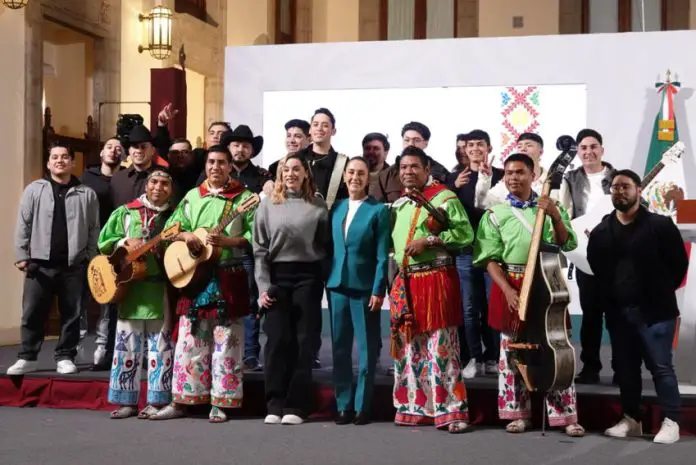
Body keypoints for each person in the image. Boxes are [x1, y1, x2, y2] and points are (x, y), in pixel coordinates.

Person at [473, 153, 585, 437]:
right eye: (508, 173)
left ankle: (564, 416)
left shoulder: (550, 206)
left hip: (547, 284)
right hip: (511, 284)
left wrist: (556, 216)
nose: (513, 178)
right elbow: (488, 258)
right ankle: (518, 413)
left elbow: (567, 242)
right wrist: (509, 290)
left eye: (520, 172)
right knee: (512, 351)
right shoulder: (494, 214)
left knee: (555, 347)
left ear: (533, 174)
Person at [150, 146, 256, 423]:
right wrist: (186, 237)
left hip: (227, 275)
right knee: (189, 341)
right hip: (195, 277)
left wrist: (230, 242)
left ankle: (221, 402)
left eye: (222, 162)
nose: (216, 167)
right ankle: (182, 400)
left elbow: (256, 235)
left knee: (226, 342)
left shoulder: (244, 198)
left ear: (230, 166)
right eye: (211, 162)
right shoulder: (192, 196)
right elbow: (170, 229)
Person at [588, 169, 688, 444]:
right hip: (620, 313)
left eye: (626, 187)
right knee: (626, 369)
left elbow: (678, 265)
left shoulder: (660, 225)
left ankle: (671, 420)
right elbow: (597, 267)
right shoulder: (601, 231)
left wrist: (658, 291)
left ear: (638, 190)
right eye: (616, 187)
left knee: (661, 367)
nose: (620, 192)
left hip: (656, 312)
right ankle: (631, 419)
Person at [389, 146, 472, 434]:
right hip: (407, 282)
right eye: (403, 167)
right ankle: (416, 407)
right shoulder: (401, 204)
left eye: (414, 166)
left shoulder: (445, 199)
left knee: (442, 347)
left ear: (427, 169)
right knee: (410, 349)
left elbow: (465, 235)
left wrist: (430, 241)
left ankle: (451, 411)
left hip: (437, 281)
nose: (408, 172)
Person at [8, 142, 99, 375]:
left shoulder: (86, 194)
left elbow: (93, 229)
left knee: (72, 314)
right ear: (48, 163)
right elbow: (23, 224)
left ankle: (65, 356)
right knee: (32, 312)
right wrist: (22, 255)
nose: (60, 160)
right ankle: (28, 356)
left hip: (73, 266)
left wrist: (89, 258)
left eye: (65, 157)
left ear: (72, 162)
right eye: (55, 157)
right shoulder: (34, 190)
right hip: (39, 265)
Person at [253, 153, 330, 425]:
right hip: (276, 279)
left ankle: (296, 406)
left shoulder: (318, 206)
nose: (291, 173)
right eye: (286, 169)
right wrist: (263, 288)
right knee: (276, 342)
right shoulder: (267, 206)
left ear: (305, 174)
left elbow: (324, 247)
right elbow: (260, 251)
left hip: (308, 279)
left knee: (303, 342)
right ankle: (274, 403)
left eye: (296, 169)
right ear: (280, 174)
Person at [98, 169, 175, 419]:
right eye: (154, 182)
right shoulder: (126, 212)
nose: (158, 187)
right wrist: (124, 243)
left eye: (165, 184)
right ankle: (126, 402)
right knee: (125, 347)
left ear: (171, 190)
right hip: (130, 288)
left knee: (160, 348)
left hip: (160, 288)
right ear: (146, 185)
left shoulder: (175, 217)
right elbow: (104, 241)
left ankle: (157, 400)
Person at [327, 157, 390, 426]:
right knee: (339, 350)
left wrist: (378, 289)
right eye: (350, 172)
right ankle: (344, 406)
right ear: (344, 177)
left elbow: (382, 256)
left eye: (361, 173)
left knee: (366, 351)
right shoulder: (337, 207)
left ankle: (363, 406)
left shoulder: (378, 211)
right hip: (337, 287)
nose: (355, 177)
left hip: (365, 290)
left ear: (369, 178)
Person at [559, 129, 618, 385]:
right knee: (591, 314)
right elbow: (564, 212)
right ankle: (590, 367)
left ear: (602, 150)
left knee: (618, 315)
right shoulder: (570, 178)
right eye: (583, 148)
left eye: (593, 146)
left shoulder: (617, 178)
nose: (588, 152)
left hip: (616, 256)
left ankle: (622, 367)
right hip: (586, 253)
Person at [447, 130, 503, 379]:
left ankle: (493, 356)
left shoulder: (502, 176)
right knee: (469, 309)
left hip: (493, 253)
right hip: (465, 252)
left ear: (489, 147)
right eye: (470, 145)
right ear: (464, 149)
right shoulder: (455, 177)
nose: (475, 148)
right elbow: (444, 211)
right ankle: (473, 357)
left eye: (480, 144)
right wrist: (454, 188)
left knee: (493, 306)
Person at [80, 137, 124, 370]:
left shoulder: (125, 178)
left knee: (108, 300)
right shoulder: (87, 178)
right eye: (109, 147)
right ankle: (72, 350)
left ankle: (102, 348)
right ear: (101, 153)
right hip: (87, 244)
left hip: (113, 246)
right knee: (81, 299)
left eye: (118, 148)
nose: (114, 151)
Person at [373, 121, 449, 203]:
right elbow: (375, 209)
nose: (411, 144)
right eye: (407, 140)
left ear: (426, 143)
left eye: (417, 140)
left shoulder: (441, 173)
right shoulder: (386, 176)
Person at [474, 133, 546, 209]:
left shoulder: (554, 183)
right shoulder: (507, 183)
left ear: (540, 152)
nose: (523, 149)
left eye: (529, 145)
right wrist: (484, 179)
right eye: (519, 146)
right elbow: (482, 203)